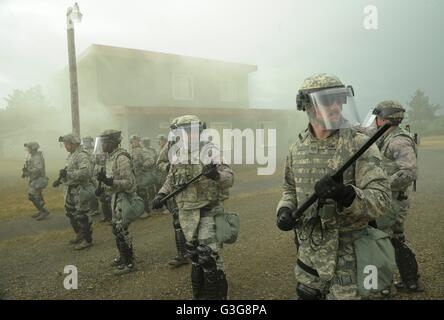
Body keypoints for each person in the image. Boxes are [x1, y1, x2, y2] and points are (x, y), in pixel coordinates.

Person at [276, 73, 392, 299]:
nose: (336, 106)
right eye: (327, 100)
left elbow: (382, 200)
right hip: (308, 251)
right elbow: (289, 189)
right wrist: (283, 210)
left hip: (349, 253)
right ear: (307, 105)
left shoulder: (359, 144)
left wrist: (346, 195)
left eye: (339, 99)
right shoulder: (297, 148)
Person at [153, 115, 234, 299]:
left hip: (208, 212)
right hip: (187, 215)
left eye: (190, 131)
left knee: (210, 258)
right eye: (183, 132)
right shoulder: (178, 153)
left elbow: (229, 177)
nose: (187, 135)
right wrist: (161, 194)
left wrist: (215, 175)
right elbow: (171, 179)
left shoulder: (209, 150)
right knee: (196, 258)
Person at [371, 100, 422, 292]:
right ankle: (410, 280)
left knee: (385, 239)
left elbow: (409, 172)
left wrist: (382, 184)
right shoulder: (385, 135)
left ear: (384, 119)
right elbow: (363, 130)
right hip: (389, 198)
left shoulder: (398, 140)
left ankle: (385, 284)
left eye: (377, 117)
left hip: (393, 199)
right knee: (395, 238)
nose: (374, 121)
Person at [96, 130, 138, 275]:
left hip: (124, 198)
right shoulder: (110, 157)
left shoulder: (121, 158)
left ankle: (130, 262)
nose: (102, 145)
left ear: (113, 142)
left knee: (121, 230)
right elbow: (111, 179)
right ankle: (123, 257)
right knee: (116, 228)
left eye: (104, 142)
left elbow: (129, 183)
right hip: (116, 197)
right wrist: (103, 187)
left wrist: (110, 182)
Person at [155, 133, 190, 268]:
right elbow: (160, 163)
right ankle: (183, 254)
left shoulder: (199, 145)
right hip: (177, 188)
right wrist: (169, 167)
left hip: (196, 191)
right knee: (178, 222)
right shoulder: (170, 145)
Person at [56, 133, 95, 250]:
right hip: (71, 190)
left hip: (80, 189)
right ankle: (79, 234)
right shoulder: (72, 155)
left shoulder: (82, 155)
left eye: (66, 144)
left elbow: (85, 173)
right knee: (71, 213)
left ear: (73, 144)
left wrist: (68, 174)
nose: (65, 146)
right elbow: (70, 171)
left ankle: (87, 240)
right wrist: (60, 179)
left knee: (82, 215)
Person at [22, 141, 49, 220]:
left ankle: (44, 211)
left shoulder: (37, 157)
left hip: (39, 180)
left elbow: (38, 169)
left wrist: (28, 171)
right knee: (37, 196)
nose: (28, 150)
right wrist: (26, 172)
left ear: (33, 149)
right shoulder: (33, 156)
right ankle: (41, 210)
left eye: (29, 148)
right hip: (35, 179)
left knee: (32, 196)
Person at [140, 137, 158, 217]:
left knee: (157, 187)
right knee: (149, 188)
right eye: (145, 141)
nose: (146, 143)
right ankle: (151, 204)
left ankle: (157, 202)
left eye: (147, 141)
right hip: (147, 171)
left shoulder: (153, 149)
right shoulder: (142, 150)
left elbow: (156, 157)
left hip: (154, 169)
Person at [82, 136, 99, 216]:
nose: (85, 143)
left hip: (93, 174)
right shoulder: (83, 151)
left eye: (87, 141)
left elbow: (95, 161)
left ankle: (95, 209)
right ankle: (90, 208)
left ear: (91, 142)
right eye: (84, 141)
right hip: (86, 174)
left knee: (93, 193)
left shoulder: (94, 151)